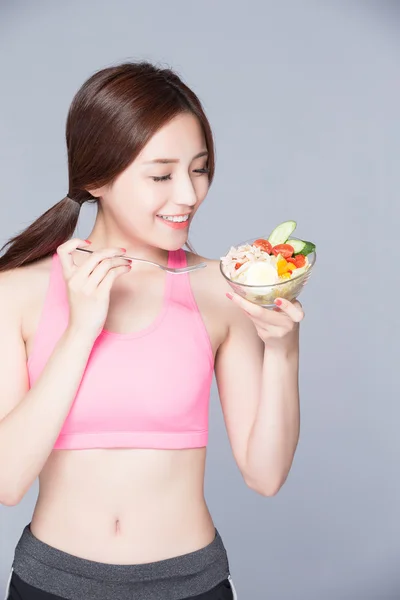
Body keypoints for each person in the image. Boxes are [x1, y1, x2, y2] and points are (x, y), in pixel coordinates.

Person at [0, 61, 304, 600]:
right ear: (97, 176)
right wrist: (80, 330)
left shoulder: (220, 288)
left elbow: (266, 475)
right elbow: (7, 480)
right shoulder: (15, 293)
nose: (187, 195)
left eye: (200, 169)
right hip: (51, 584)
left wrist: (282, 349)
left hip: (192, 585)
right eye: (161, 175)